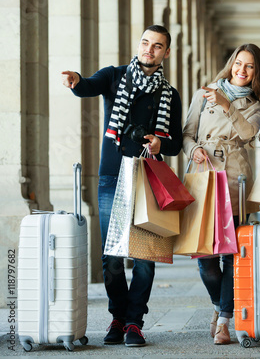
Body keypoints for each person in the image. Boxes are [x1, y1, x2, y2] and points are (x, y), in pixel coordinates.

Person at [61, 25, 183, 347]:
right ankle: (117, 317)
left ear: (166, 53)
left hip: (148, 178)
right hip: (112, 175)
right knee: (112, 254)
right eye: (145, 43)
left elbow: (176, 143)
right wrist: (76, 81)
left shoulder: (170, 94)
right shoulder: (114, 76)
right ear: (139, 45)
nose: (149, 49)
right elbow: (88, 85)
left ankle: (134, 322)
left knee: (145, 255)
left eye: (157, 46)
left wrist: (160, 143)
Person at [183, 43, 260, 345]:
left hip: (235, 176)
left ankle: (223, 321)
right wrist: (193, 149)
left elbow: (248, 133)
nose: (241, 71)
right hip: (202, 174)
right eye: (238, 64)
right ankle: (221, 306)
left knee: (233, 254)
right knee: (205, 255)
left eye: (249, 67)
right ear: (231, 64)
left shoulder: (258, 105)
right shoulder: (203, 93)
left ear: (256, 73)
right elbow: (187, 133)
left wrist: (227, 105)